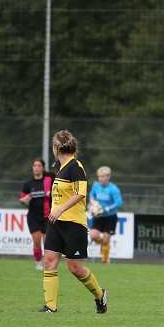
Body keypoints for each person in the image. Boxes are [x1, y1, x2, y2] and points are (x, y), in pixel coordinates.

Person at [39, 130, 107, 314]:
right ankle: (50, 307)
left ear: (55, 148)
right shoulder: (61, 169)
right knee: (49, 262)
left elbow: (80, 193)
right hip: (56, 222)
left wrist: (60, 209)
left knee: (75, 268)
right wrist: (55, 212)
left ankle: (100, 295)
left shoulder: (75, 166)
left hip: (73, 224)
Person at [20, 157, 52, 269]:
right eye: (35, 166)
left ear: (43, 168)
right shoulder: (28, 184)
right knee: (37, 241)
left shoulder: (49, 180)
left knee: (47, 242)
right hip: (33, 217)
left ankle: (48, 263)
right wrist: (23, 200)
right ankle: (39, 263)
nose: (37, 168)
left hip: (48, 216)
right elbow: (22, 198)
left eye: (39, 166)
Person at [88, 165, 123, 264]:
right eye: (99, 176)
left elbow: (119, 202)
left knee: (106, 239)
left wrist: (108, 208)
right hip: (99, 216)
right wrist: (93, 202)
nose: (101, 178)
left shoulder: (113, 189)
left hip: (110, 217)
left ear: (108, 177)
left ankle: (105, 260)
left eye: (103, 176)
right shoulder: (96, 186)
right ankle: (103, 245)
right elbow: (92, 195)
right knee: (93, 236)